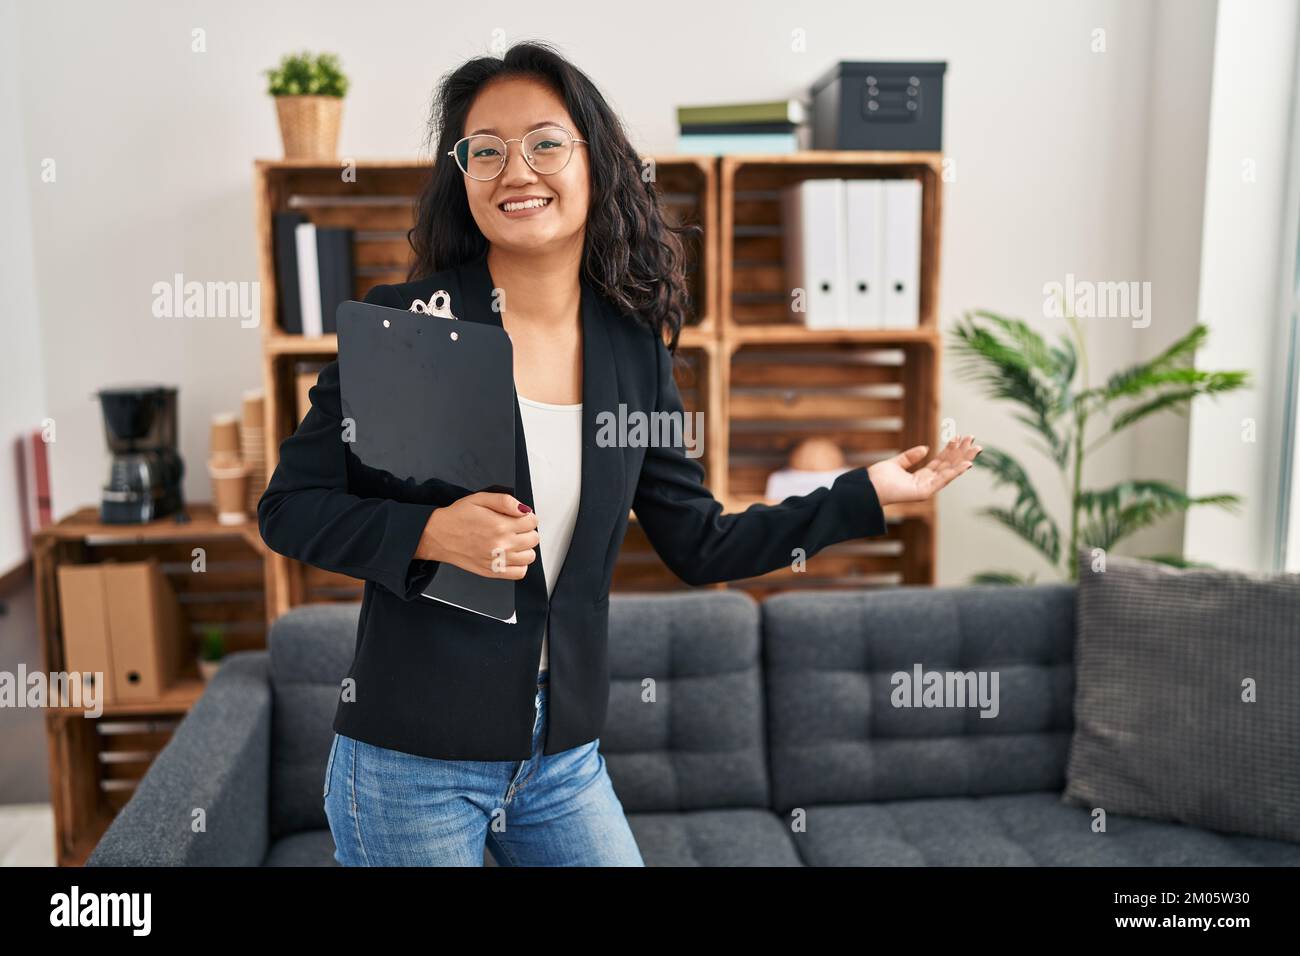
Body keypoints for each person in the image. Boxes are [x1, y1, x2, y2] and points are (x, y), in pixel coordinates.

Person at [258, 40, 981, 867]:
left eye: (545, 142)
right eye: (484, 150)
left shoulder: (633, 350)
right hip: (410, 762)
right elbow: (289, 509)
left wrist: (865, 496)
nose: (514, 170)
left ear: (595, 162)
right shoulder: (408, 327)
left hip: (561, 759)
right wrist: (428, 534)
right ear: (462, 175)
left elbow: (699, 542)